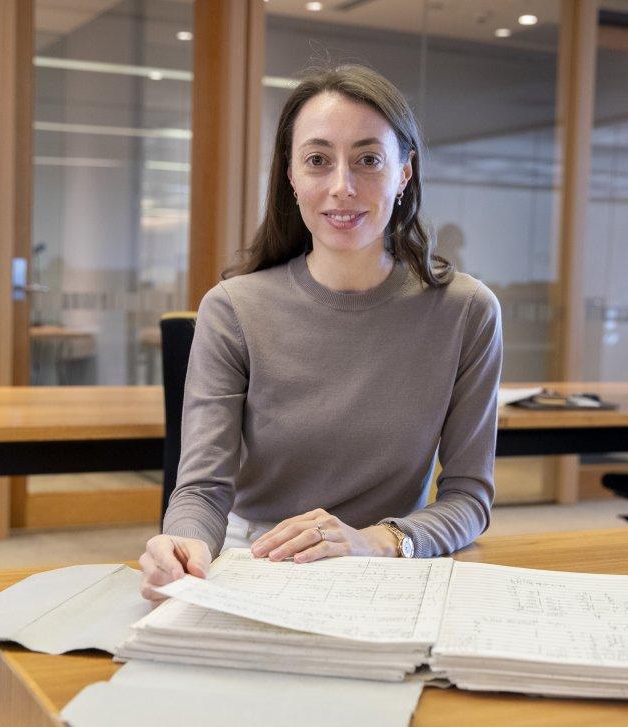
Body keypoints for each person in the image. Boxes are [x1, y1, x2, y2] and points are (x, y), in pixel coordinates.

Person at [140, 64, 502, 602]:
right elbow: (203, 488)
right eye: (317, 160)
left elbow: (469, 496)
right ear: (291, 176)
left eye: (368, 160)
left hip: (387, 557)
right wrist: (183, 544)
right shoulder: (233, 309)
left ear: (404, 173)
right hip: (254, 557)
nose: (341, 187)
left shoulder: (467, 311)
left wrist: (379, 541)